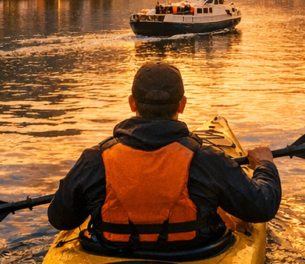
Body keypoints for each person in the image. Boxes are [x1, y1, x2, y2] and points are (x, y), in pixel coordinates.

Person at [47, 62, 281, 252]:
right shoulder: (208, 160)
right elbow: (261, 208)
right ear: (182, 105)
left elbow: (60, 218)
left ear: (132, 103)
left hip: (109, 254)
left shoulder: (95, 159)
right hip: (194, 256)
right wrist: (265, 165)